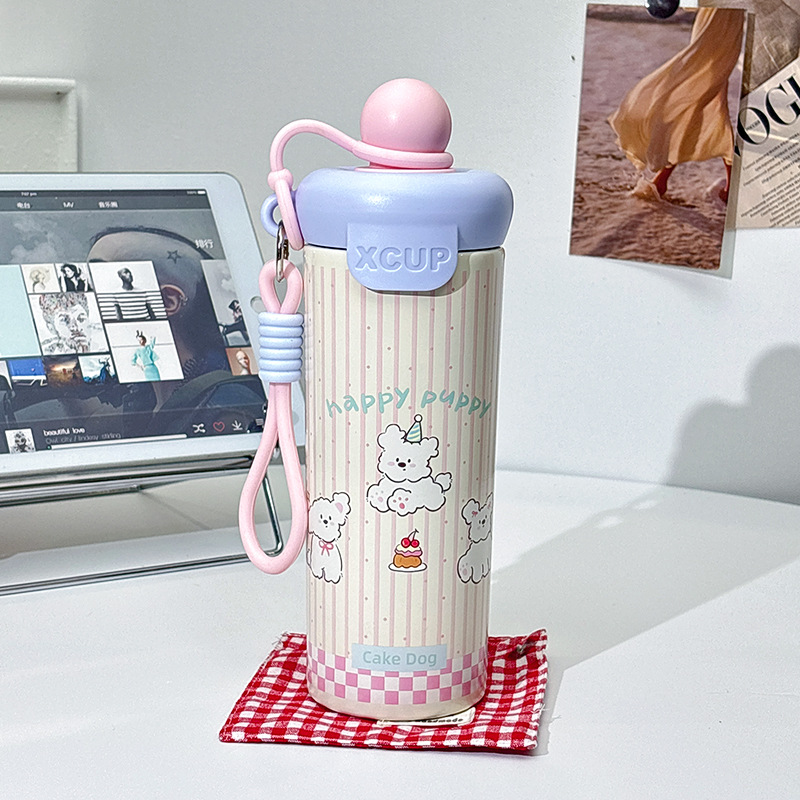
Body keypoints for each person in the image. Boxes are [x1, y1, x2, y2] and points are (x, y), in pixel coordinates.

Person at [608, 8, 744, 201]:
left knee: (697, 104)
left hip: (720, 32)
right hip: (716, 31)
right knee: (701, 104)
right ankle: (665, 179)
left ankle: (663, 179)